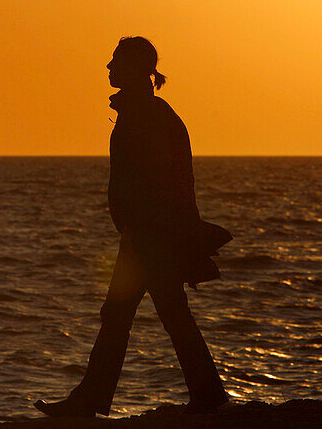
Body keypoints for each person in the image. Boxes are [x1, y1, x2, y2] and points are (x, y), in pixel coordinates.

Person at [35, 36, 232, 418]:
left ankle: (92, 400)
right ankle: (206, 394)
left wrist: (155, 233)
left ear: (134, 69)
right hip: (145, 236)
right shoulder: (144, 113)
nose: (108, 68)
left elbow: (168, 183)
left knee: (130, 316)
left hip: (150, 238)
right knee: (151, 315)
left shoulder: (150, 116)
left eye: (115, 62)